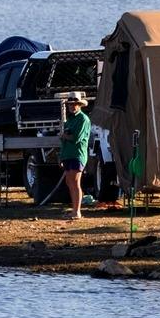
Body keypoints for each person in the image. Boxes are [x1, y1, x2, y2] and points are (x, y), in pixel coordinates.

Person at [58, 93, 92, 222]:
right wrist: (61, 156)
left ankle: (77, 211)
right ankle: (74, 209)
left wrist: (64, 136)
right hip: (67, 154)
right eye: (70, 104)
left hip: (77, 154)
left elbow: (76, 138)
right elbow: (64, 140)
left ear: (80, 105)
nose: (72, 106)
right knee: (69, 182)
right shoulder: (70, 120)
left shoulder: (83, 119)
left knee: (75, 181)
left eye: (75, 104)